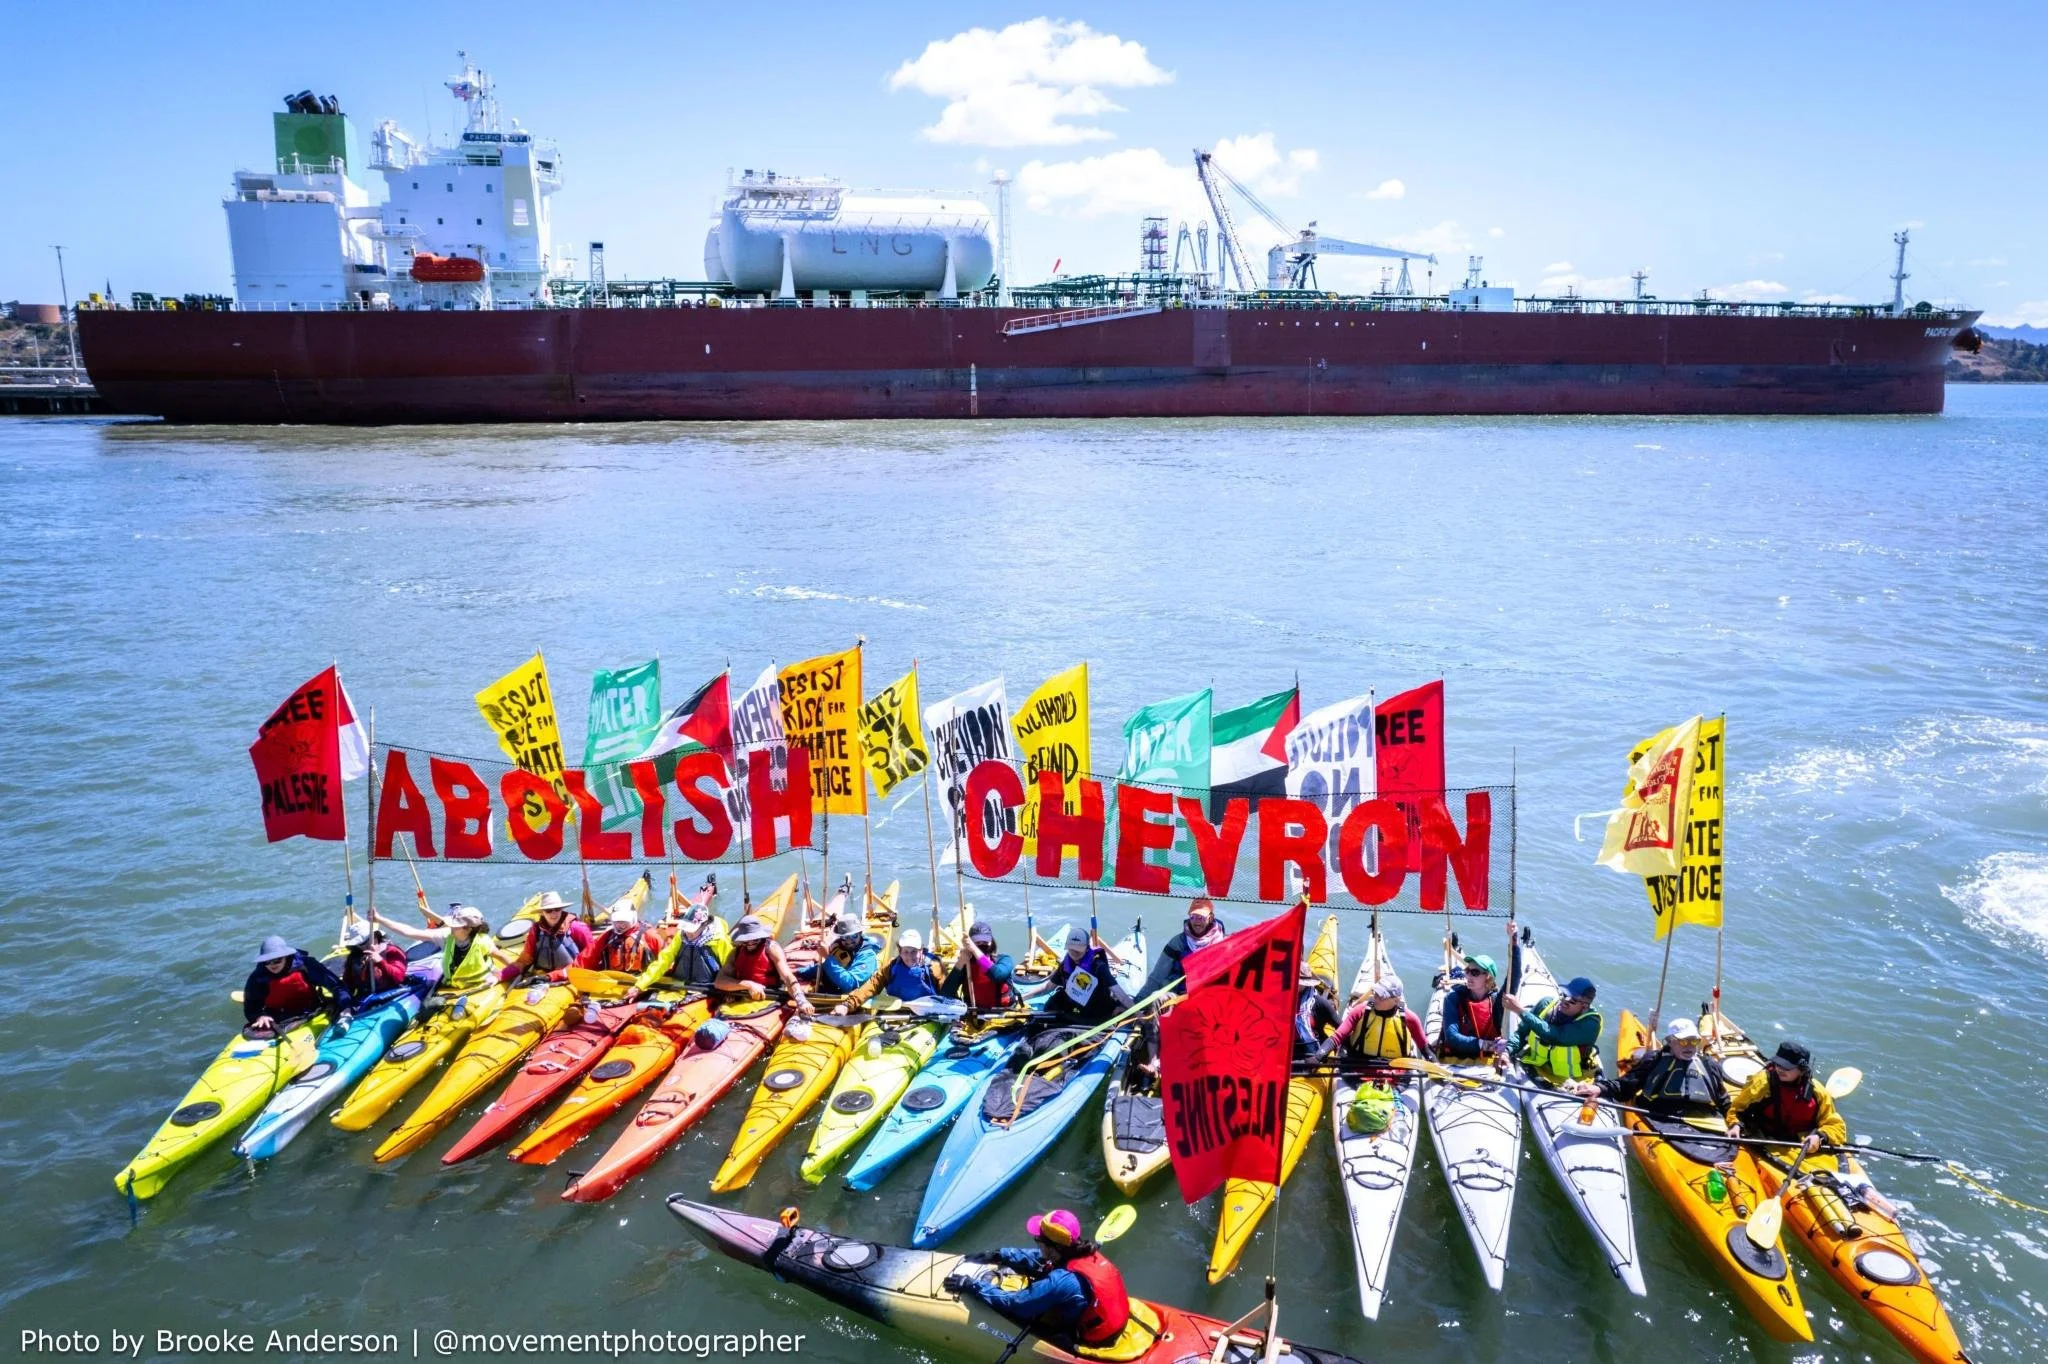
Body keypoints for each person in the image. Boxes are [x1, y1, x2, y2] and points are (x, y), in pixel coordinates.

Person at [943, 1210, 1130, 1350]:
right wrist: (998, 1255)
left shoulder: (1061, 1281)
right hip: (1113, 1321)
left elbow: (1016, 1304)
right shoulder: (1083, 1252)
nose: (1036, 1243)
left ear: (1052, 1247)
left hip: (1093, 1339)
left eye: (1038, 1240)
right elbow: (1039, 1259)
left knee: (1017, 1313)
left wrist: (971, 1285)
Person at [1576, 1017, 1729, 1120]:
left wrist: (1735, 1123)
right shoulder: (1654, 1060)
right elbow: (1625, 1087)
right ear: (1670, 1041)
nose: (1689, 1046)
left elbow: (1723, 1100)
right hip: (1659, 1118)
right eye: (1683, 1042)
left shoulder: (1709, 1064)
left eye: (1694, 1041)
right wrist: (1599, 1088)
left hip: (1703, 1122)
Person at [1727, 1040, 1847, 1158]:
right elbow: (1737, 1110)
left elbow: (1836, 1126)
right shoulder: (1762, 1082)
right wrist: (1736, 1125)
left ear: (1802, 1069)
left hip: (1801, 1144)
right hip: (1765, 1137)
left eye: (1786, 1067)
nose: (1780, 1069)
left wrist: (1820, 1137)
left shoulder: (1817, 1092)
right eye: (1777, 1064)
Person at [373, 903, 505, 993]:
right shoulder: (446, 936)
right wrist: (380, 919)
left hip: (483, 985)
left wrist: (516, 971)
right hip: (453, 988)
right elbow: (409, 932)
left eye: (456, 925)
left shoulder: (483, 941)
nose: (451, 927)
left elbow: (502, 957)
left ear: (468, 929)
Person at [623, 899, 729, 1003]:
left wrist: (728, 990)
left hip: (708, 987)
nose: (688, 934)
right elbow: (662, 962)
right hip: (680, 985)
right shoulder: (681, 936)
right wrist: (639, 986)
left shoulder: (719, 940)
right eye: (686, 929)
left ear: (704, 925)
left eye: (692, 930)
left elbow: (731, 968)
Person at [1504, 976, 1603, 1087]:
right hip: (1537, 1067)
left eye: (1572, 1000)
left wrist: (1520, 1010)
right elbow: (1521, 1034)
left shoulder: (1591, 1024)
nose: (1565, 1000)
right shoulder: (1545, 1004)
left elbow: (1555, 1036)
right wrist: (1507, 1051)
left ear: (1584, 1007)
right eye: (1564, 995)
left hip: (1574, 1079)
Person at [1318, 975, 1430, 1070]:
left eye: (1381, 996)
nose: (1375, 998)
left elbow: (1426, 1050)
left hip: (1396, 1071)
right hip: (1358, 1065)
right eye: (1375, 993)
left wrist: (1434, 1064)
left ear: (1396, 1000)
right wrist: (1318, 1055)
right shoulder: (1360, 1011)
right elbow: (1337, 1037)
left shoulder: (1410, 1019)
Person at [714, 914, 813, 1015]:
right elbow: (719, 982)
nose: (750, 944)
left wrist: (801, 1000)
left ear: (761, 936)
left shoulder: (772, 949)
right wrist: (748, 985)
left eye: (755, 940)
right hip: (744, 993)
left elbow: (787, 976)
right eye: (746, 941)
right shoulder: (735, 952)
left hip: (770, 995)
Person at [242, 935, 343, 1031]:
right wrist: (259, 1016)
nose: (272, 965)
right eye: (267, 962)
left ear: (286, 956)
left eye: (277, 960)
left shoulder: (306, 965)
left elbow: (336, 985)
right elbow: (251, 1007)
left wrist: (346, 1006)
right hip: (279, 1018)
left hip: (312, 1009)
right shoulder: (258, 977)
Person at [1139, 897, 1228, 999]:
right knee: (1158, 997)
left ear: (1210, 918)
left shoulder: (1224, 943)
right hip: (1177, 996)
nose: (1196, 922)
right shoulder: (1177, 943)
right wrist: (1137, 1003)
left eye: (1201, 918)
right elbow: (1156, 977)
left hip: (1207, 996)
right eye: (1193, 917)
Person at [1044, 927, 1133, 1026]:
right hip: (1073, 1007)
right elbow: (1048, 987)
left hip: (1095, 1011)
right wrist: (1025, 997)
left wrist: (1137, 1012)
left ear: (1087, 949)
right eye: (1071, 950)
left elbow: (1118, 992)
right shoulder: (1066, 962)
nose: (1074, 954)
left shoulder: (1099, 966)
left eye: (1078, 951)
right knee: (1052, 1003)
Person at [498, 891, 591, 984]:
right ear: (542, 913)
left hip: (570, 977)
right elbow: (524, 961)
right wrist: (500, 976)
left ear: (562, 909)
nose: (554, 913)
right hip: (543, 977)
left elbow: (589, 958)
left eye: (557, 909)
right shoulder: (536, 931)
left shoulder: (578, 928)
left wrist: (551, 976)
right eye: (548, 910)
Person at [802, 912, 884, 1013]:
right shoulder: (838, 946)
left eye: (853, 936)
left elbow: (850, 984)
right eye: (845, 937)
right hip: (832, 991)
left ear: (860, 933)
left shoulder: (867, 955)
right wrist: (800, 973)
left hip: (851, 999)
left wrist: (827, 957)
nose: (849, 941)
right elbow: (823, 968)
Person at [1438, 953, 1510, 1062]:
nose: (1468, 976)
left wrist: (1514, 944)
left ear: (1488, 977)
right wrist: (1483, 1044)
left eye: (1475, 972)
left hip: (1487, 1059)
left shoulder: (1497, 1001)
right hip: (1457, 1057)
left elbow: (1512, 979)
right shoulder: (1453, 998)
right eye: (1467, 971)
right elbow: (1452, 1037)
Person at [565, 903, 662, 978]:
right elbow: (583, 961)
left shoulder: (650, 936)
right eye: (617, 921)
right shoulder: (607, 938)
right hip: (614, 983)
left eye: (624, 921)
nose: (620, 925)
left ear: (633, 918)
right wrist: (556, 975)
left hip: (643, 984)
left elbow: (666, 961)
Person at [940, 920, 1019, 1010]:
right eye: (977, 943)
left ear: (991, 942)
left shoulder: (1005, 960)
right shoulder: (967, 965)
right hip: (974, 1013)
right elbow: (946, 992)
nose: (981, 945)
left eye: (985, 942)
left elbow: (997, 975)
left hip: (1003, 1012)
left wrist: (974, 948)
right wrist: (961, 962)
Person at [336, 920, 411, 1007]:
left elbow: (399, 977)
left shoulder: (392, 951)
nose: (367, 946)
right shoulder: (353, 958)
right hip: (366, 999)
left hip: (391, 994)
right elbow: (348, 983)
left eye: (368, 941)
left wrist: (380, 961)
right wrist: (346, 1005)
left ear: (376, 936)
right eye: (361, 944)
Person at [875, 929, 943, 1001]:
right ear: (900, 952)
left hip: (926, 1010)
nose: (910, 957)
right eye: (906, 952)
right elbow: (873, 984)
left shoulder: (934, 966)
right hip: (898, 1009)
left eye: (914, 951)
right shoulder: (890, 966)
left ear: (921, 950)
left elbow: (947, 991)